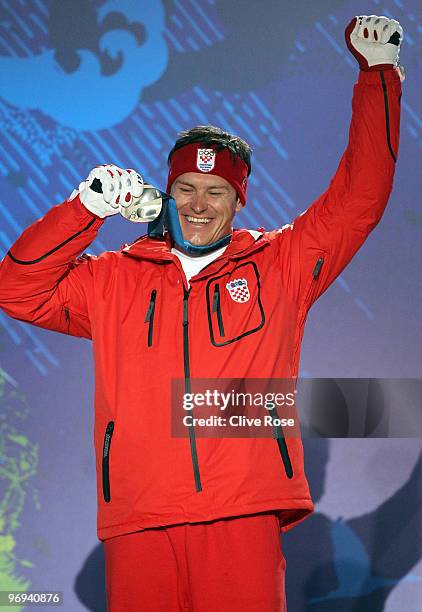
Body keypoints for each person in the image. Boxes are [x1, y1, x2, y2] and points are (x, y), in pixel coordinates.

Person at [0, 15, 404, 612]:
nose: (198, 203)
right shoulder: (112, 278)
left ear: (239, 200)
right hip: (138, 513)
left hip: (241, 511)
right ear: (167, 193)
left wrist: (379, 77)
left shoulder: (281, 265)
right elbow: (17, 289)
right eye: (185, 187)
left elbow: (359, 198)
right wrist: (83, 208)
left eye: (216, 191)